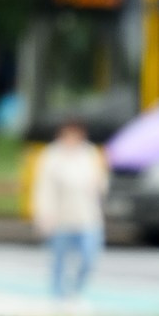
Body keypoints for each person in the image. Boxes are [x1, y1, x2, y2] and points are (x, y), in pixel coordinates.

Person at [32, 121, 110, 300]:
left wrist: (100, 182)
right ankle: (58, 296)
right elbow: (44, 188)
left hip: (88, 217)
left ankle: (76, 290)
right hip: (61, 217)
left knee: (89, 257)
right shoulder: (52, 155)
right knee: (60, 259)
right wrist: (44, 213)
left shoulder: (89, 154)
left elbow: (101, 185)